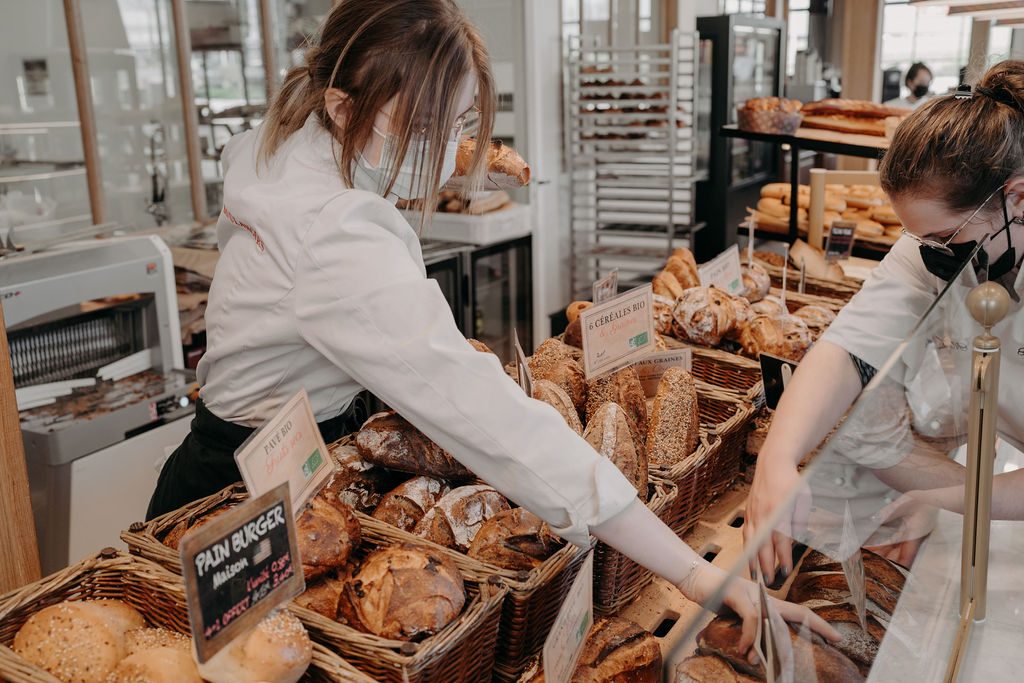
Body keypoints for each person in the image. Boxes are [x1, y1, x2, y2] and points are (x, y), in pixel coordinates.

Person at [146, 0, 837, 651]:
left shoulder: (295, 132)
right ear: (341, 105)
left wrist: (471, 167)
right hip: (240, 507)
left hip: (273, 458)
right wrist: (693, 572)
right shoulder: (335, 237)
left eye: (462, 121)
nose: (450, 145)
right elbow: (492, 419)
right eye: (428, 127)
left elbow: (403, 147)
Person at [745, 60, 1024, 580]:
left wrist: (938, 495)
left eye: (946, 240)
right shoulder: (937, 243)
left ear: (1017, 197)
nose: (931, 254)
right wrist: (777, 461)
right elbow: (848, 347)